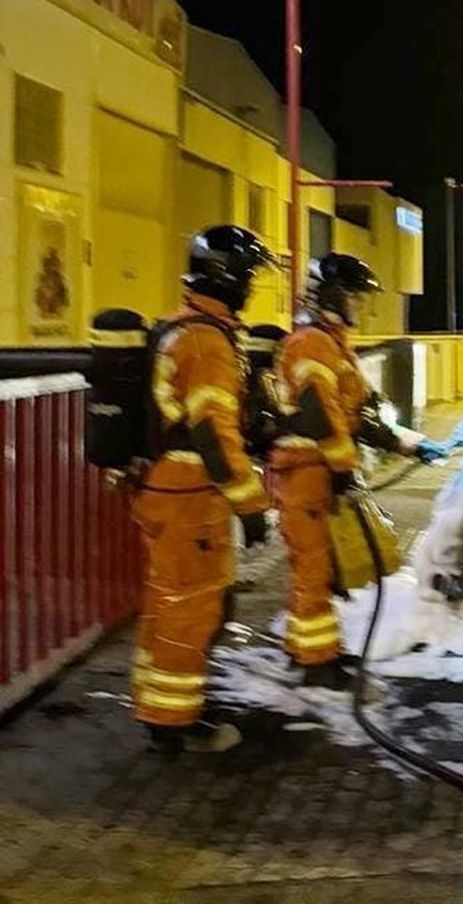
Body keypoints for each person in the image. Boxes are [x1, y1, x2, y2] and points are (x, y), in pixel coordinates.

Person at [271, 253, 450, 688]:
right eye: (355, 297)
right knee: (314, 571)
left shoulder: (332, 343)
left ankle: (309, 651)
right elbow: (319, 416)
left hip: (317, 471)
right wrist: (344, 467)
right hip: (305, 473)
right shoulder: (312, 343)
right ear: (334, 295)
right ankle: (316, 665)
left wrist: (410, 444)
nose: (360, 307)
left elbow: (360, 417)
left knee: (321, 571)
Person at [134, 225, 276, 753]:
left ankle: (163, 704)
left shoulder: (179, 326)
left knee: (167, 604)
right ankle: (173, 723)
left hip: (164, 487)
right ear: (227, 274)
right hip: (191, 494)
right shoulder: (207, 341)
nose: (251, 287)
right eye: (249, 275)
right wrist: (251, 504)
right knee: (190, 609)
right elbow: (213, 433)